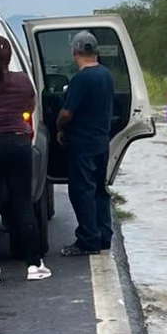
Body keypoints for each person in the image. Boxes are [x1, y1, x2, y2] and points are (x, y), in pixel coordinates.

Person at [0, 34, 51, 283]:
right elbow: (31, 106)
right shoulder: (23, 80)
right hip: (17, 143)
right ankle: (34, 265)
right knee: (23, 205)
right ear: (10, 56)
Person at [56, 30, 114, 257]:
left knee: (82, 191)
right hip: (101, 140)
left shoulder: (81, 79)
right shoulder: (106, 74)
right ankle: (104, 236)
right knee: (100, 189)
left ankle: (88, 240)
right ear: (96, 51)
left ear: (74, 52)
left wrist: (59, 126)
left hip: (82, 143)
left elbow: (67, 112)